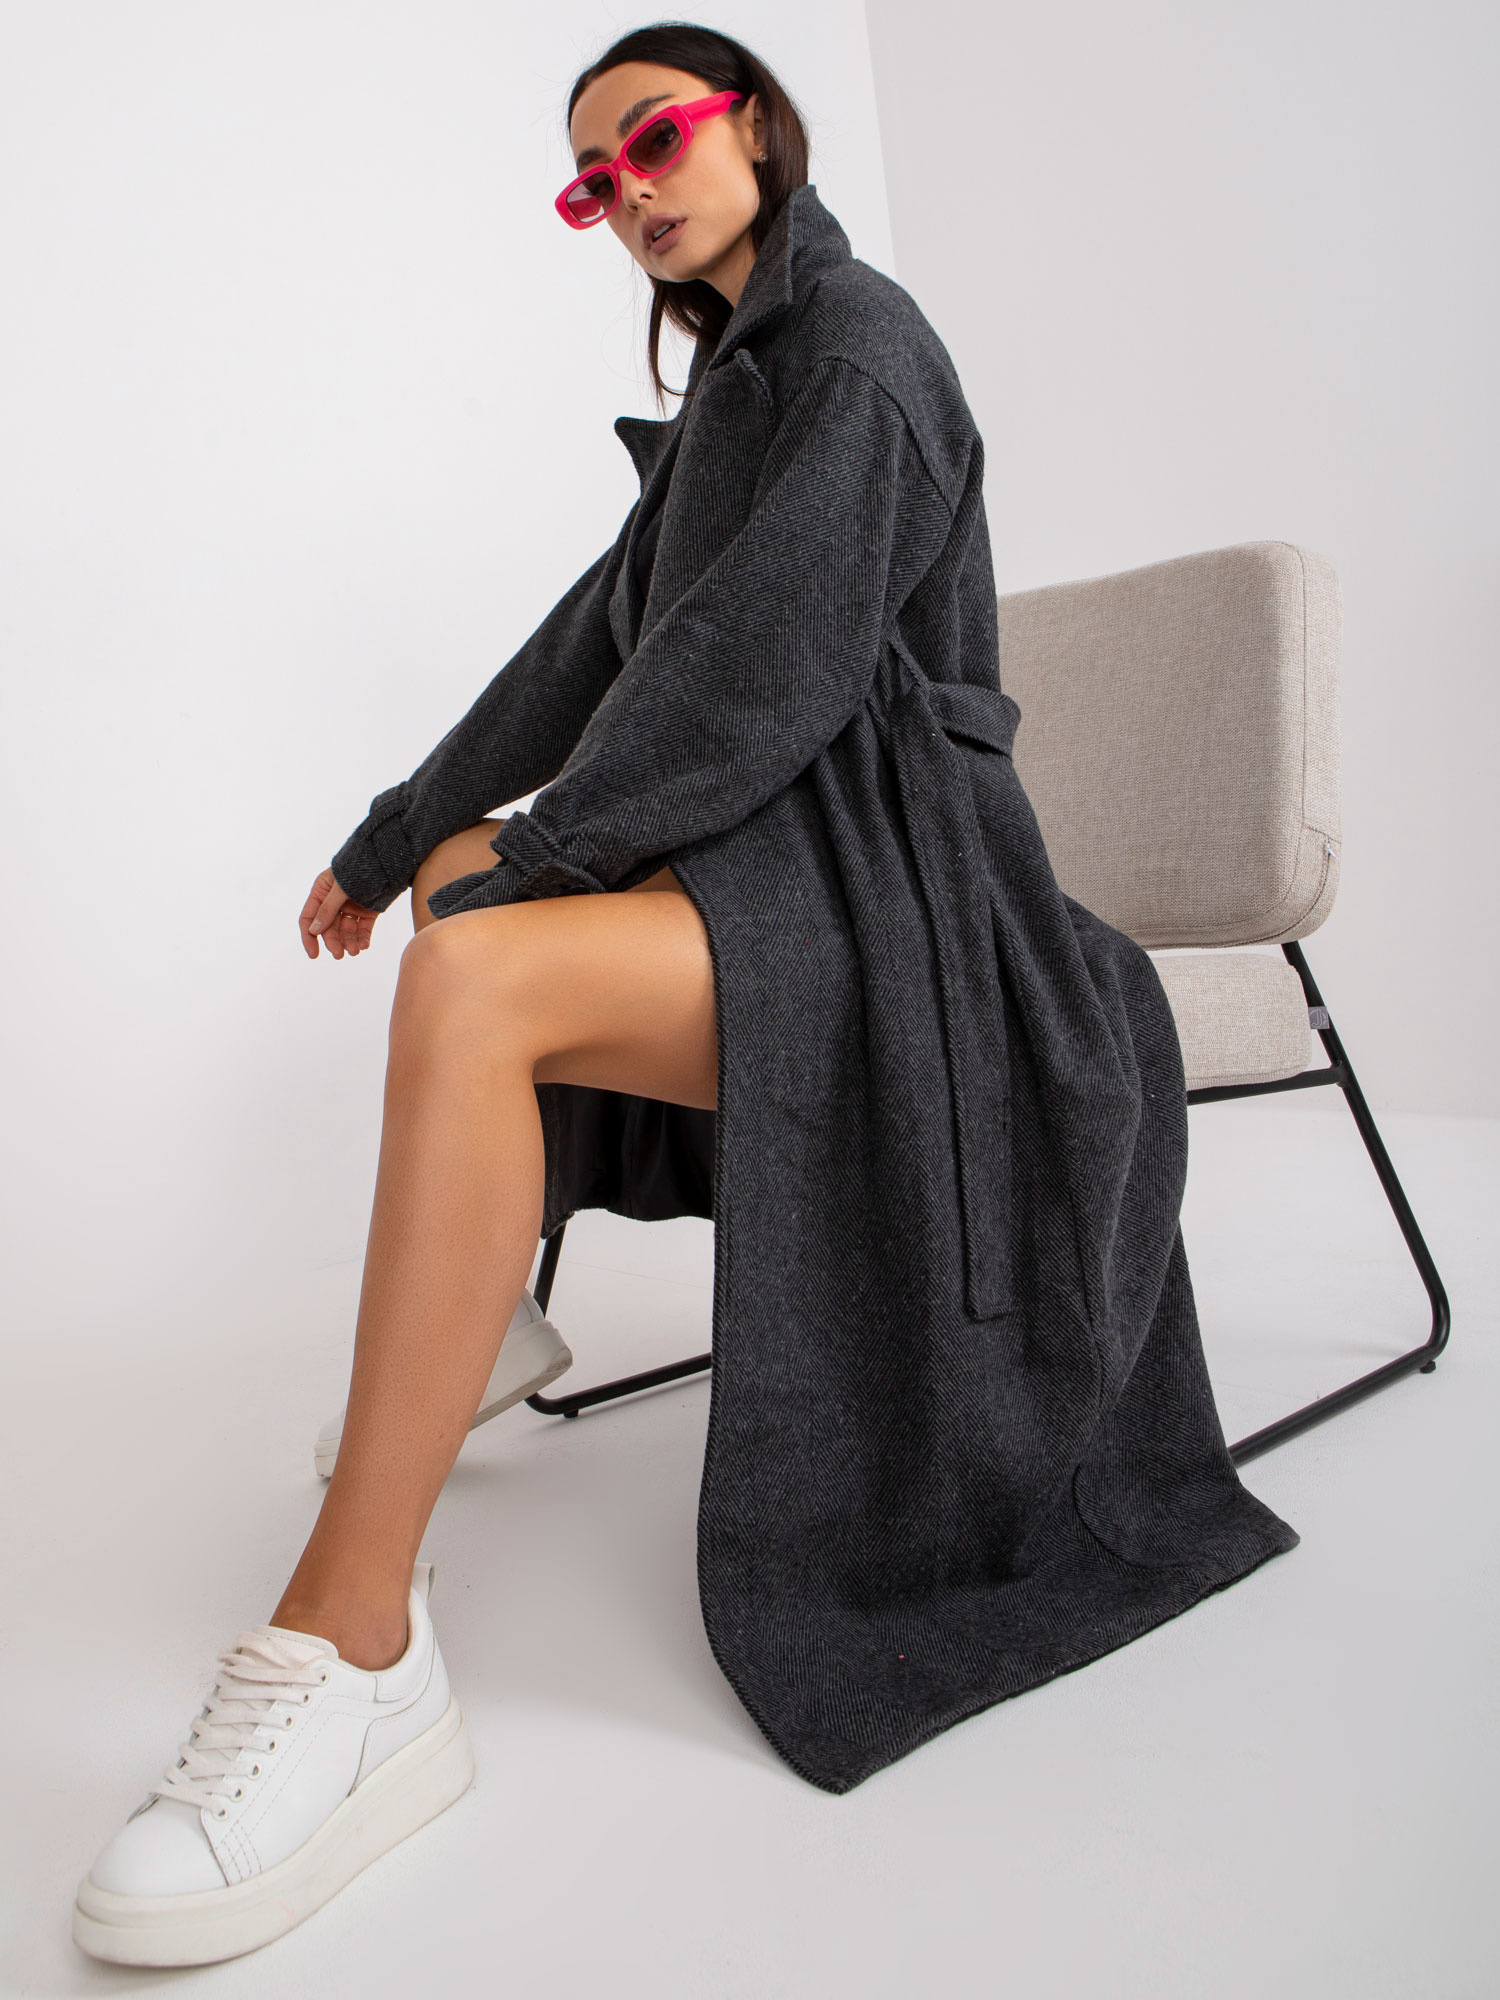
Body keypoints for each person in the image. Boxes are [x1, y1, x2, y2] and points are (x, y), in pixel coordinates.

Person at [73, 19, 1299, 1970]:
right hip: (805, 859)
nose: (627, 188)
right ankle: (471, 1295)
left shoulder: (860, 353)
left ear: (758, 130)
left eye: (651, 138)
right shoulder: (745, 382)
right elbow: (592, 645)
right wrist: (400, 835)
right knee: (461, 891)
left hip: (925, 907)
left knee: (480, 976)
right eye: (594, 178)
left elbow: (759, 678)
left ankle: (357, 1649)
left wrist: (540, 863)